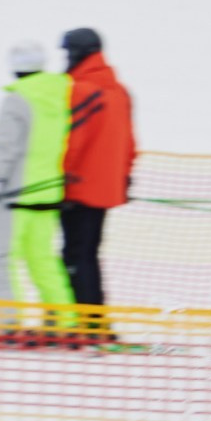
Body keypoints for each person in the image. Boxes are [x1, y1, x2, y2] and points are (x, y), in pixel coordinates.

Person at [0, 39, 75, 333]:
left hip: (15, 195)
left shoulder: (16, 99)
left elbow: (8, 148)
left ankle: (9, 324)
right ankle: (64, 320)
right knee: (42, 259)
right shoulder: (61, 94)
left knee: (2, 258)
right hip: (47, 192)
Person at [58, 27, 135, 322]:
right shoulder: (120, 91)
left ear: (78, 53)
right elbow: (130, 143)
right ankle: (94, 319)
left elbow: (72, 142)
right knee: (88, 253)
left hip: (78, 188)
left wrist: (61, 178)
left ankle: (86, 321)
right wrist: (124, 178)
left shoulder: (79, 89)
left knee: (75, 254)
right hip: (106, 189)